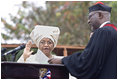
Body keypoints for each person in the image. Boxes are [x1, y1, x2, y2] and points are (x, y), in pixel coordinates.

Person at [48, 2, 117, 79]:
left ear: (100, 15)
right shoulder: (114, 32)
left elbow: (87, 61)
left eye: (90, 16)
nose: (88, 21)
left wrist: (63, 60)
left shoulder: (103, 32)